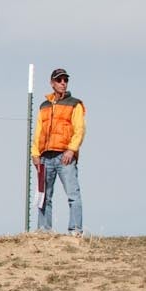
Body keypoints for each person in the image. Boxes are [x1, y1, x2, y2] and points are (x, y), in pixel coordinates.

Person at [32, 66, 85, 233]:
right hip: (45, 157)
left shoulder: (75, 104)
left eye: (65, 80)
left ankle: (75, 230)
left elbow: (80, 130)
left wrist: (71, 150)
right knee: (44, 197)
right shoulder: (44, 106)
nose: (63, 83)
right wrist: (35, 153)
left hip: (64, 156)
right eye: (59, 80)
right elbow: (38, 130)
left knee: (73, 195)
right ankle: (44, 230)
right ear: (52, 83)